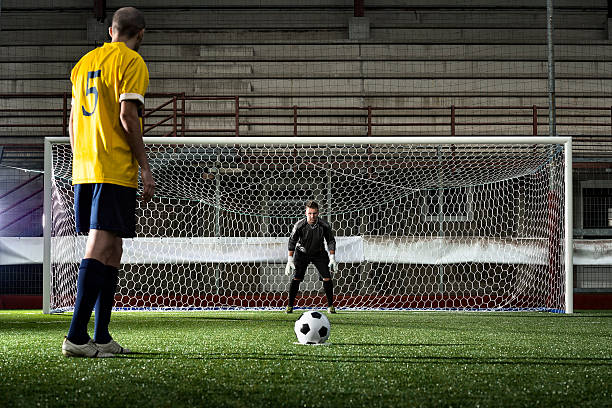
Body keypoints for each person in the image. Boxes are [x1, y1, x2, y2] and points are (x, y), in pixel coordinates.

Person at [62, 6, 155, 358]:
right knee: (100, 246)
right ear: (140, 34)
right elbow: (127, 115)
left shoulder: (83, 64)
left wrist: (81, 160)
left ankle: (101, 337)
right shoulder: (132, 62)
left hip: (85, 167)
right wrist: (145, 167)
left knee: (113, 251)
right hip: (112, 167)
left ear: (112, 29)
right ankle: (75, 337)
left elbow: (72, 122)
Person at [285, 200, 338, 314]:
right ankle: (290, 306)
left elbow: (330, 240)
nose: (312, 216)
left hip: (319, 253)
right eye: (310, 213)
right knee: (296, 278)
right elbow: (292, 242)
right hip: (302, 253)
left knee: (327, 278)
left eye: (314, 213)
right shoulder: (299, 225)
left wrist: (332, 257)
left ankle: (330, 306)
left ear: (318, 213)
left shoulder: (324, 225)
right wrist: (290, 260)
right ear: (306, 213)